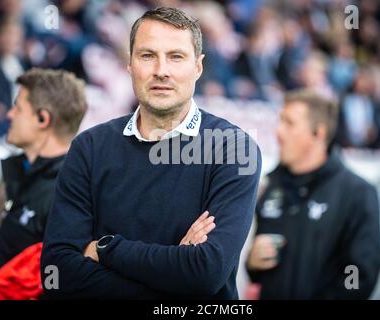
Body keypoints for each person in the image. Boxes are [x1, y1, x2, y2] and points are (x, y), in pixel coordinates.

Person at [41, 7, 261, 299]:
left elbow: (207, 272)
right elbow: (57, 273)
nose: (161, 70)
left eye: (176, 56)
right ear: (130, 65)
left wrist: (106, 249)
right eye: (147, 55)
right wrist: (174, 277)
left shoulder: (233, 149)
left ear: (198, 67)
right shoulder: (89, 147)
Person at [246, 89, 380, 299]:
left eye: (289, 123)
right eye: (280, 121)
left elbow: (358, 273)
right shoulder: (271, 186)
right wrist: (252, 263)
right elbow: (260, 269)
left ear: (318, 133)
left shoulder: (357, 193)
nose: (278, 132)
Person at [0, 68, 88, 299]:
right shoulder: (27, 173)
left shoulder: (65, 195)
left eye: (18, 107)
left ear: (42, 119)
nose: (9, 114)